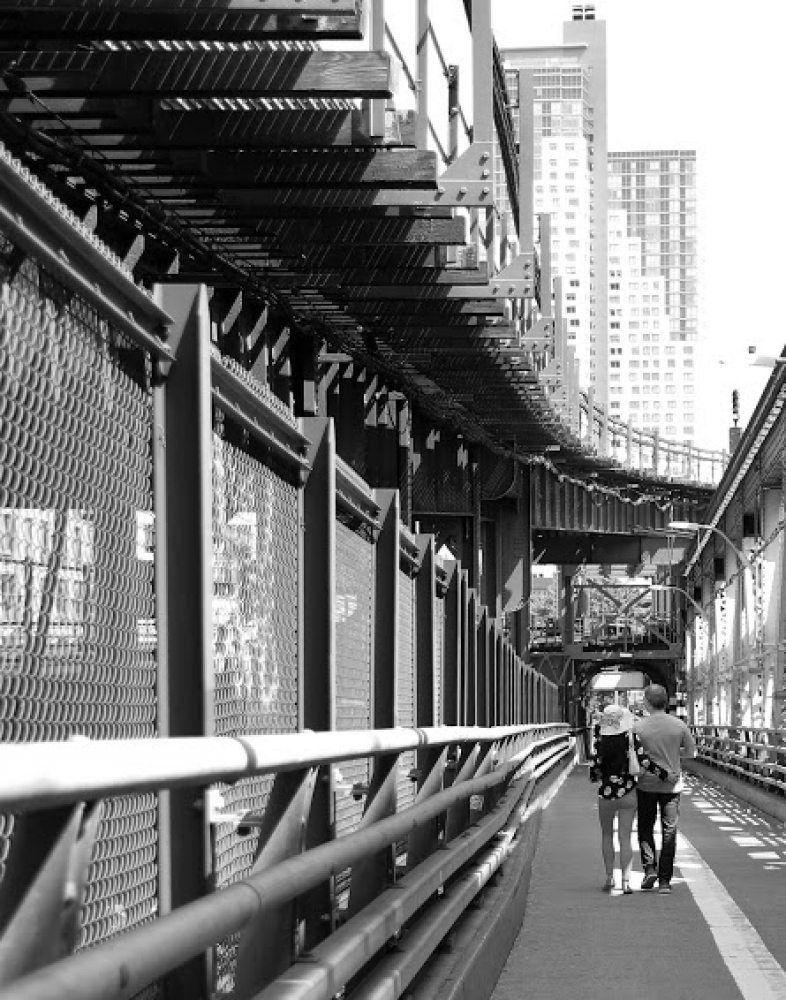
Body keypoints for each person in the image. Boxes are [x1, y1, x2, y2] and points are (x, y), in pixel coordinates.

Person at [589, 704, 670, 894]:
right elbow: (645, 762)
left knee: (607, 835)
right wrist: (665, 775)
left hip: (606, 795)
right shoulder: (631, 738)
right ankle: (626, 881)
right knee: (625, 837)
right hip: (628, 793)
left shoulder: (600, 741)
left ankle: (609, 878)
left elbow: (594, 774)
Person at [634, 683, 696, 895]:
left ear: (647, 702)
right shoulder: (679, 725)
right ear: (665, 701)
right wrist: (673, 754)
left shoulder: (638, 727)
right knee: (669, 830)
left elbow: (634, 757)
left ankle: (649, 868)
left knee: (645, 827)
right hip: (672, 785)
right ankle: (665, 881)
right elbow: (691, 752)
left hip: (645, 784)